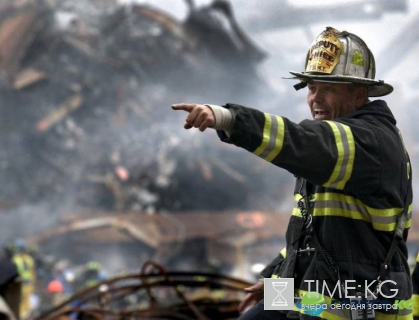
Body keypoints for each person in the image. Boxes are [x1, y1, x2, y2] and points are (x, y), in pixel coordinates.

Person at [172, 26, 413, 319]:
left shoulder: (368, 142)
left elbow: (301, 140)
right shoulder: (335, 149)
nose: (316, 99)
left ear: (359, 95)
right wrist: (275, 282)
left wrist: (228, 118)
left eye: (329, 88)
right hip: (320, 298)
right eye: (312, 88)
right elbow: (312, 238)